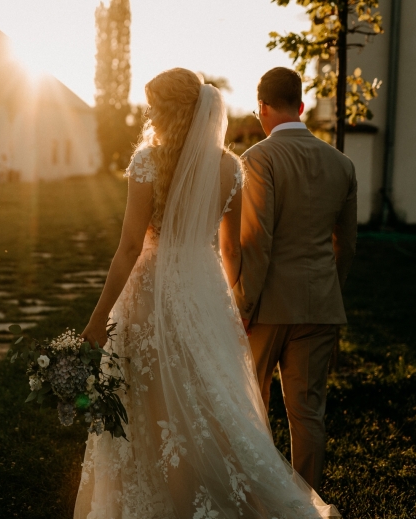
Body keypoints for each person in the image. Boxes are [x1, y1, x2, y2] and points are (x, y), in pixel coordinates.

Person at [76, 68, 340, 518]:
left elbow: (129, 247)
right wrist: (227, 301)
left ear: (171, 111)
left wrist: (98, 319)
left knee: (147, 399)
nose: (149, 115)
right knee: (207, 397)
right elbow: (230, 249)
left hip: (150, 290)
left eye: (154, 107)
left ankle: (161, 495)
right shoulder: (229, 167)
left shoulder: (147, 162)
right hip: (203, 287)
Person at [234, 67, 357, 490]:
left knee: (253, 405)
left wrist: (243, 305)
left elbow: (257, 240)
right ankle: (307, 504)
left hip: (267, 307)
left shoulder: (258, 159)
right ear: (302, 106)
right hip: (320, 304)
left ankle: (259, 496)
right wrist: (328, 291)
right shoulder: (342, 164)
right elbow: (347, 244)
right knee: (308, 413)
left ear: (262, 107)